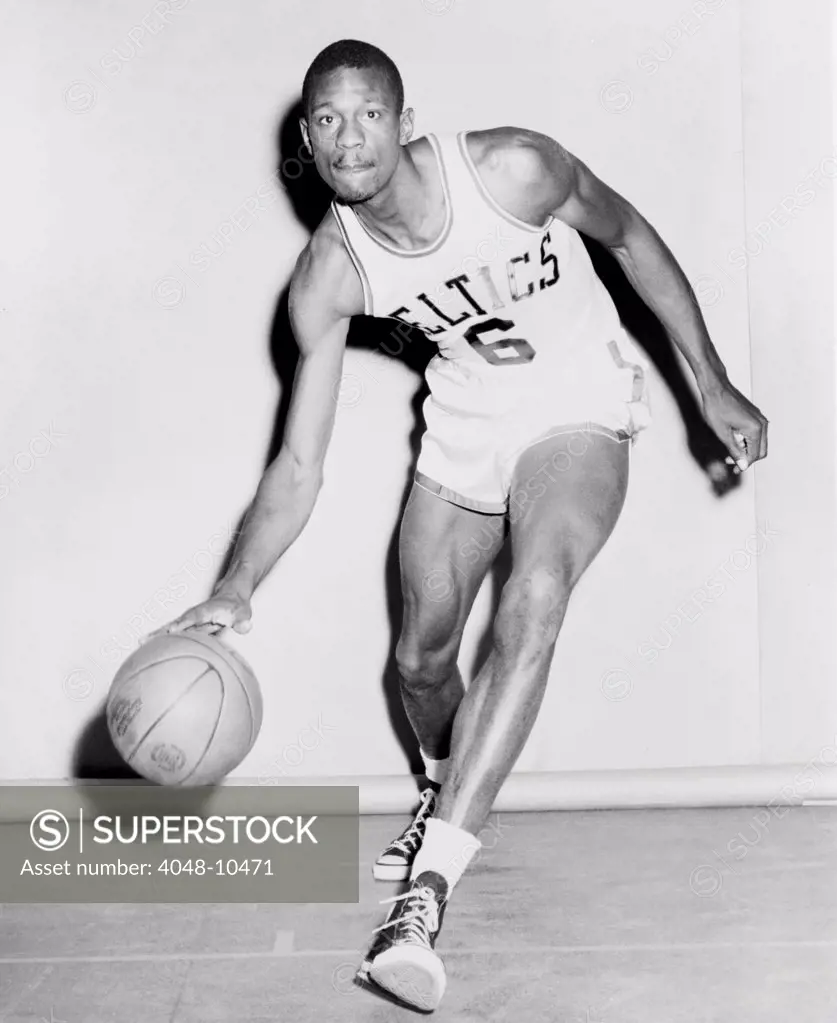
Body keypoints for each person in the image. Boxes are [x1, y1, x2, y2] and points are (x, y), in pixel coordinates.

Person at [154, 38, 768, 1012]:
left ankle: (424, 895)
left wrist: (711, 382)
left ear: (404, 123)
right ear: (306, 141)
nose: (348, 135)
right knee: (420, 665)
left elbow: (635, 241)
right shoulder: (330, 275)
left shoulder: (511, 169)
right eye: (325, 120)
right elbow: (300, 464)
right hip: (464, 426)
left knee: (535, 597)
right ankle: (444, 785)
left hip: (576, 406)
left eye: (366, 114)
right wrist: (236, 588)